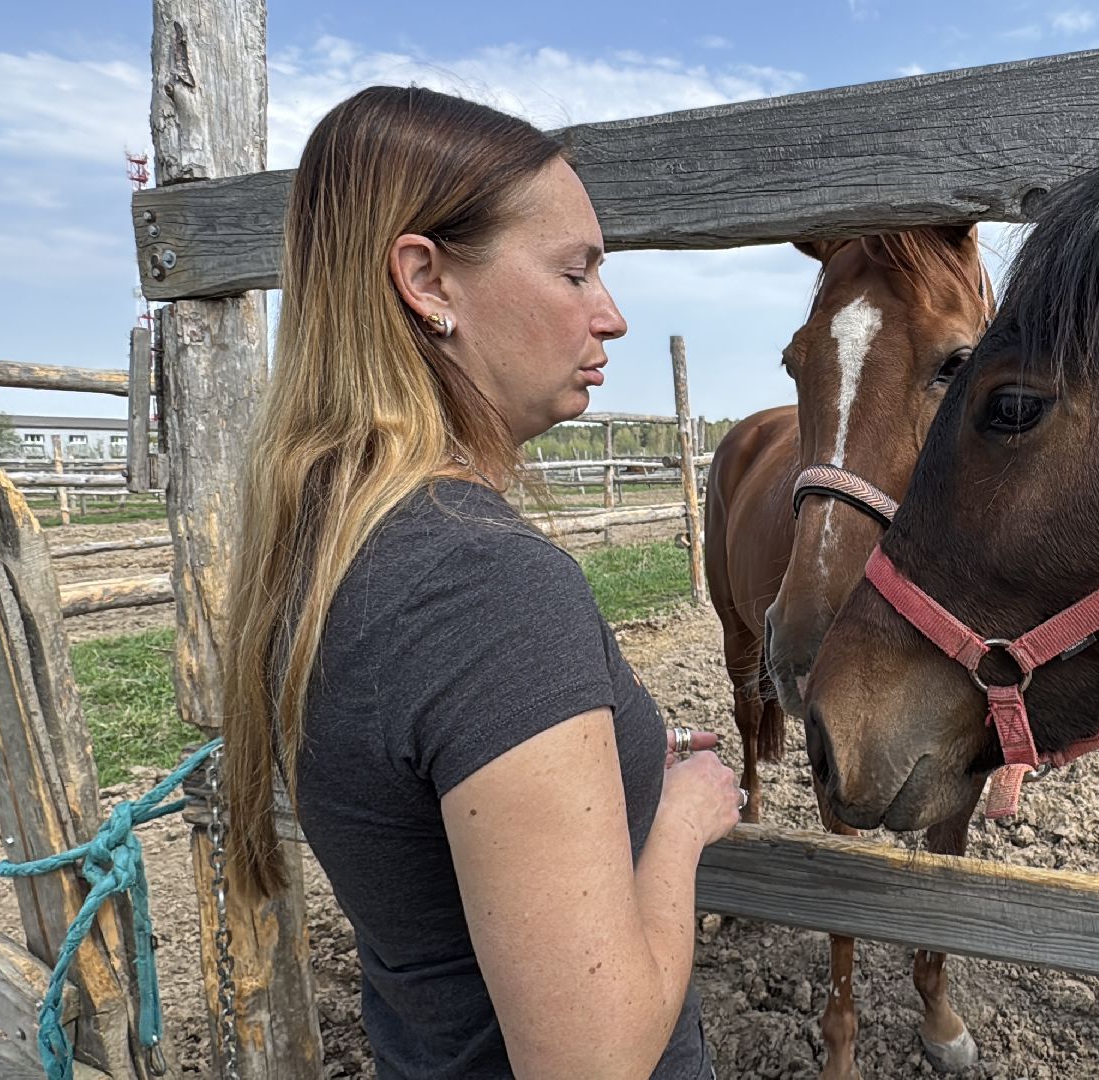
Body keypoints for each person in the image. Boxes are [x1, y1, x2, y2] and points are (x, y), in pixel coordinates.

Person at [217, 84, 742, 1080]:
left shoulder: (332, 551)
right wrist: (680, 820)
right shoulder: (485, 586)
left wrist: (605, 756)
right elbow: (591, 1063)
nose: (612, 315)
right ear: (427, 279)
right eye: (575, 270)